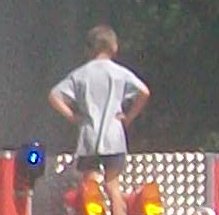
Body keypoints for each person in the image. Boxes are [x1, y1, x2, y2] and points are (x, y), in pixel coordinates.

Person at [45, 25, 148, 175]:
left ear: (89, 49)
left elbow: (54, 96)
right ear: (114, 47)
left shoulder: (80, 74)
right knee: (113, 183)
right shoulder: (120, 73)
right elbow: (144, 92)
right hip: (114, 137)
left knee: (90, 182)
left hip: (89, 136)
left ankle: (92, 190)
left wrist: (73, 117)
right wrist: (128, 117)